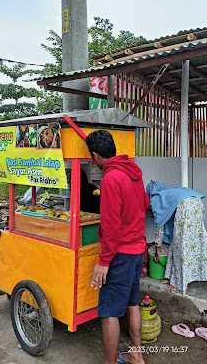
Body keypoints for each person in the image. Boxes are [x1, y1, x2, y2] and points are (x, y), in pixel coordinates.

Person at [86, 130, 148, 364]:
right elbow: (144, 204)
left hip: (120, 254)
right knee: (133, 303)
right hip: (137, 249)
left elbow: (110, 226)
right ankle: (136, 354)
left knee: (109, 311)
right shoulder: (133, 171)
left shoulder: (111, 178)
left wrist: (104, 262)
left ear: (95, 155)